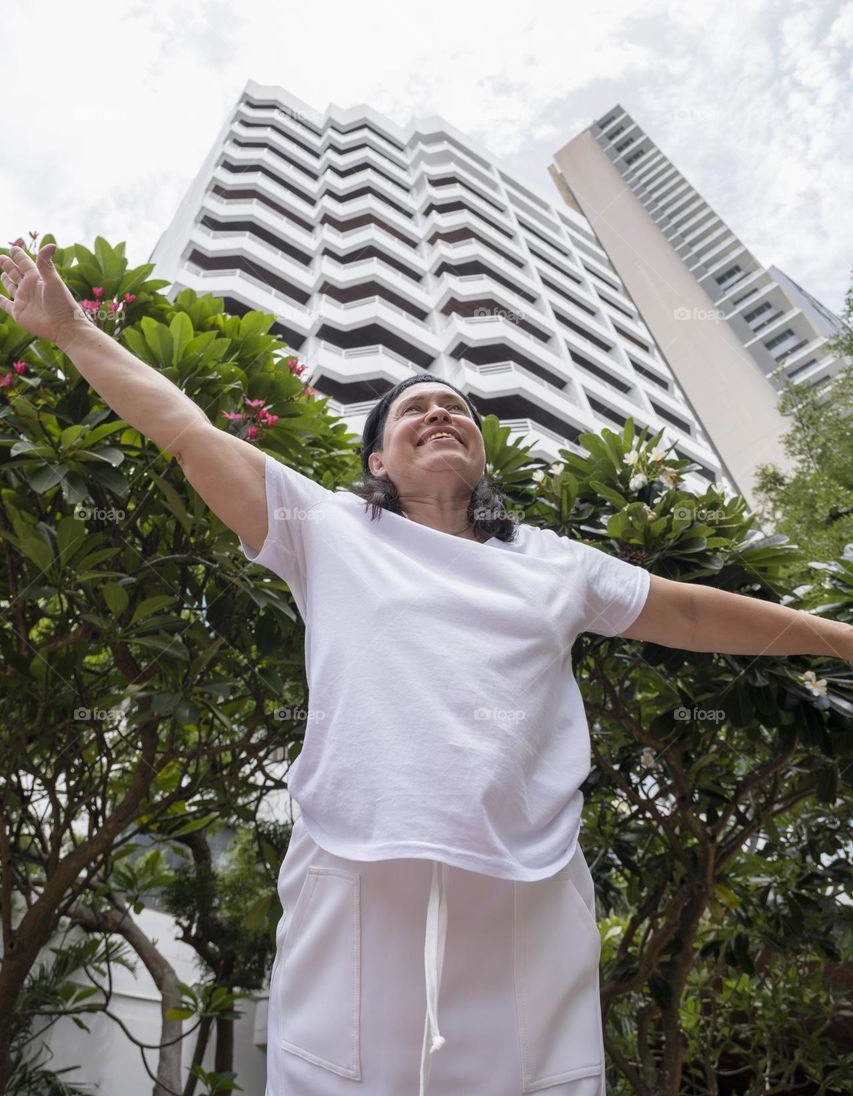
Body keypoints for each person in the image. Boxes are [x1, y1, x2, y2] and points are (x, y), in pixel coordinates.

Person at [3, 240, 851, 1096]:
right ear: (376, 461)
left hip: (531, 883)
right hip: (355, 872)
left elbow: (694, 611)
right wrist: (71, 329)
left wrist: (842, 641)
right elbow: (186, 431)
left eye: (458, 410)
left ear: (480, 454)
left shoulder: (555, 562)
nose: (441, 414)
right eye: (415, 410)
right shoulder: (323, 528)